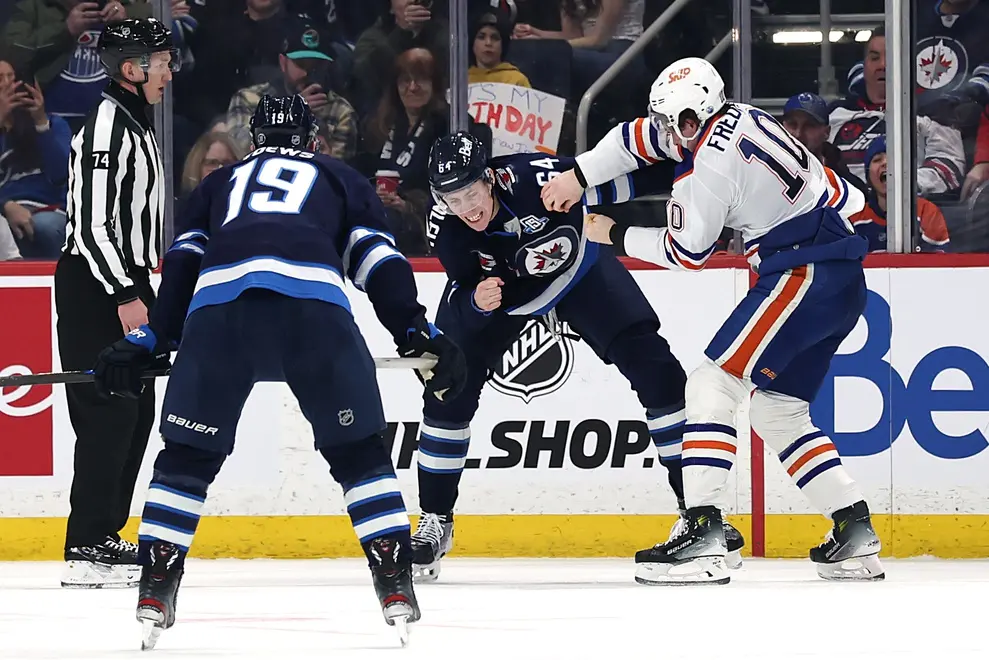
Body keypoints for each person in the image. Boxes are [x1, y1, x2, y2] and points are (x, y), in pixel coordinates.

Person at [90, 95, 467, 650]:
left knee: (186, 458)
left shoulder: (219, 183)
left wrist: (154, 337)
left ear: (254, 141)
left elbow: (185, 262)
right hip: (313, 312)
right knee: (360, 452)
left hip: (220, 316)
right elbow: (377, 261)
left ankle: (156, 586)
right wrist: (415, 330)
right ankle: (393, 579)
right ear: (314, 140)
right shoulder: (339, 177)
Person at [546, 58, 884, 585]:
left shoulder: (707, 163)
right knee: (777, 411)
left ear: (694, 116)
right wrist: (579, 175)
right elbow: (851, 199)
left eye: (673, 122)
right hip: (839, 277)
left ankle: (703, 533)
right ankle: (853, 527)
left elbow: (686, 253)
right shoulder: (746, 114)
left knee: (712, 383)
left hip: (801, 274)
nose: (665, 131)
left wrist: (611, 233)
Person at [409, 130, 745, 582]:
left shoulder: (536, 178)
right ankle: (436, 518)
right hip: (506, 299)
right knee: (448, 387)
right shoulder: (445, 227)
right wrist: (474, 302)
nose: (466, 208)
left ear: (489, 178)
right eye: (453, 199)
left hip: (580, 275)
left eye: (471, 192)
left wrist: (691, 173)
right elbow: (461, 293)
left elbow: (612, 181)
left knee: (658, 372)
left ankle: (700, 516)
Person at [55, 18, 177, 589]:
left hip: (126, 281)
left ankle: (104, 535)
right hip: (98, 285)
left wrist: (139, 287)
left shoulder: (135, 121)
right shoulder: (106, 126)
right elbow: (92, 225)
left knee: (135, 411)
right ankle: (87, 543)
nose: (168, 72)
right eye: (162, 62)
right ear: (132, 68)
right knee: (108, 412)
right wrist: (126, 293)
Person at [828, 26, 965, 197]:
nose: (883, 65)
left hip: (906, 207)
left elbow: (949, 166)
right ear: (864, 66)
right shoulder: (836, 114)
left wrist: (896, 187)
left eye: (892, 57)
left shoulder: (933, 111)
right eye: (874, 58)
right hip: (844, 206)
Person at [225, 15, 357, 159]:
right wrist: (289, 116)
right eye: (301, 64)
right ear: (283, 63)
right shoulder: (249, 99)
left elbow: (339, 169)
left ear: (327, 65)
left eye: (316, 65)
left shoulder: (341, 112)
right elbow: (240, 151)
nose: (307, 73)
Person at [0, 58, 72, 259]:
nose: (7, 84)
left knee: (45, 226)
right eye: (0, 79)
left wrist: (41, 122)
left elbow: (61, 174)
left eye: (12, 77)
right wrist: (6, 206)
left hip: (49, 211)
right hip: (4, 211)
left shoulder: (54, 124)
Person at [850, 136, 951, 252]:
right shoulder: (855, 218)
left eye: (893, 158)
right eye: (877, 160)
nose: (885, 163)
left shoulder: (926, 211)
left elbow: (938, 260)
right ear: (868, 176)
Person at [780, 92, 865, 195]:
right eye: (792, 124)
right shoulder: (766, 171)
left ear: (826, 132)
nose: (798, 134)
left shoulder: (851, 189)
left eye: (809, 126)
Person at [468, 12, 531, 87]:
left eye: (495, 38)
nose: (488, 43)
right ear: (472, 43)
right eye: (481, 37)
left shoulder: (517, 80)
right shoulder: (461, 80)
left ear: (503, 45)